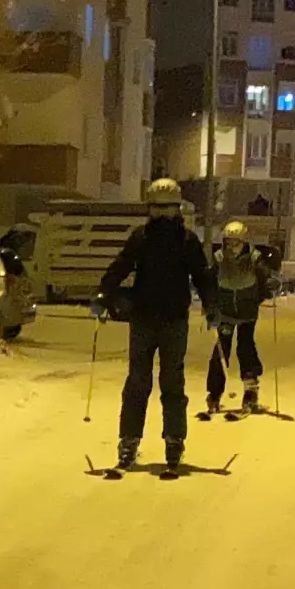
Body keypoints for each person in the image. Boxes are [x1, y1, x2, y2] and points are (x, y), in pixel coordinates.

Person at [98, 177, 217, 474]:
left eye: (168, 208)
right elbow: (121, 266)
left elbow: (202, 276)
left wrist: (212, 305)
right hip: (143, 318)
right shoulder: (141, 238)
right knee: (138, 381)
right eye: (157, 208)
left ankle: (174, 439)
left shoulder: (187, 241)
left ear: (178, 209)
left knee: (172, 381)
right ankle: (129, 440)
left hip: (174, 320)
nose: (163, 214)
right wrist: (103, 294)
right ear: (149, 209)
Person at [205, 220, 272, 414]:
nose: (231, 247)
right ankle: (215, 392)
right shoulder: (218, 258)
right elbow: (209, 282)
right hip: (225, 312)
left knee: (246, 347)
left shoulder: (254, 258)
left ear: (243, 242)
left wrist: (269, 286)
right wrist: (210, 306)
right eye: (228, 242)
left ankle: (250, 390)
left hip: (246, 312)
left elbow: (264, 278)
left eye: (235, 243)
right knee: (220, 350)